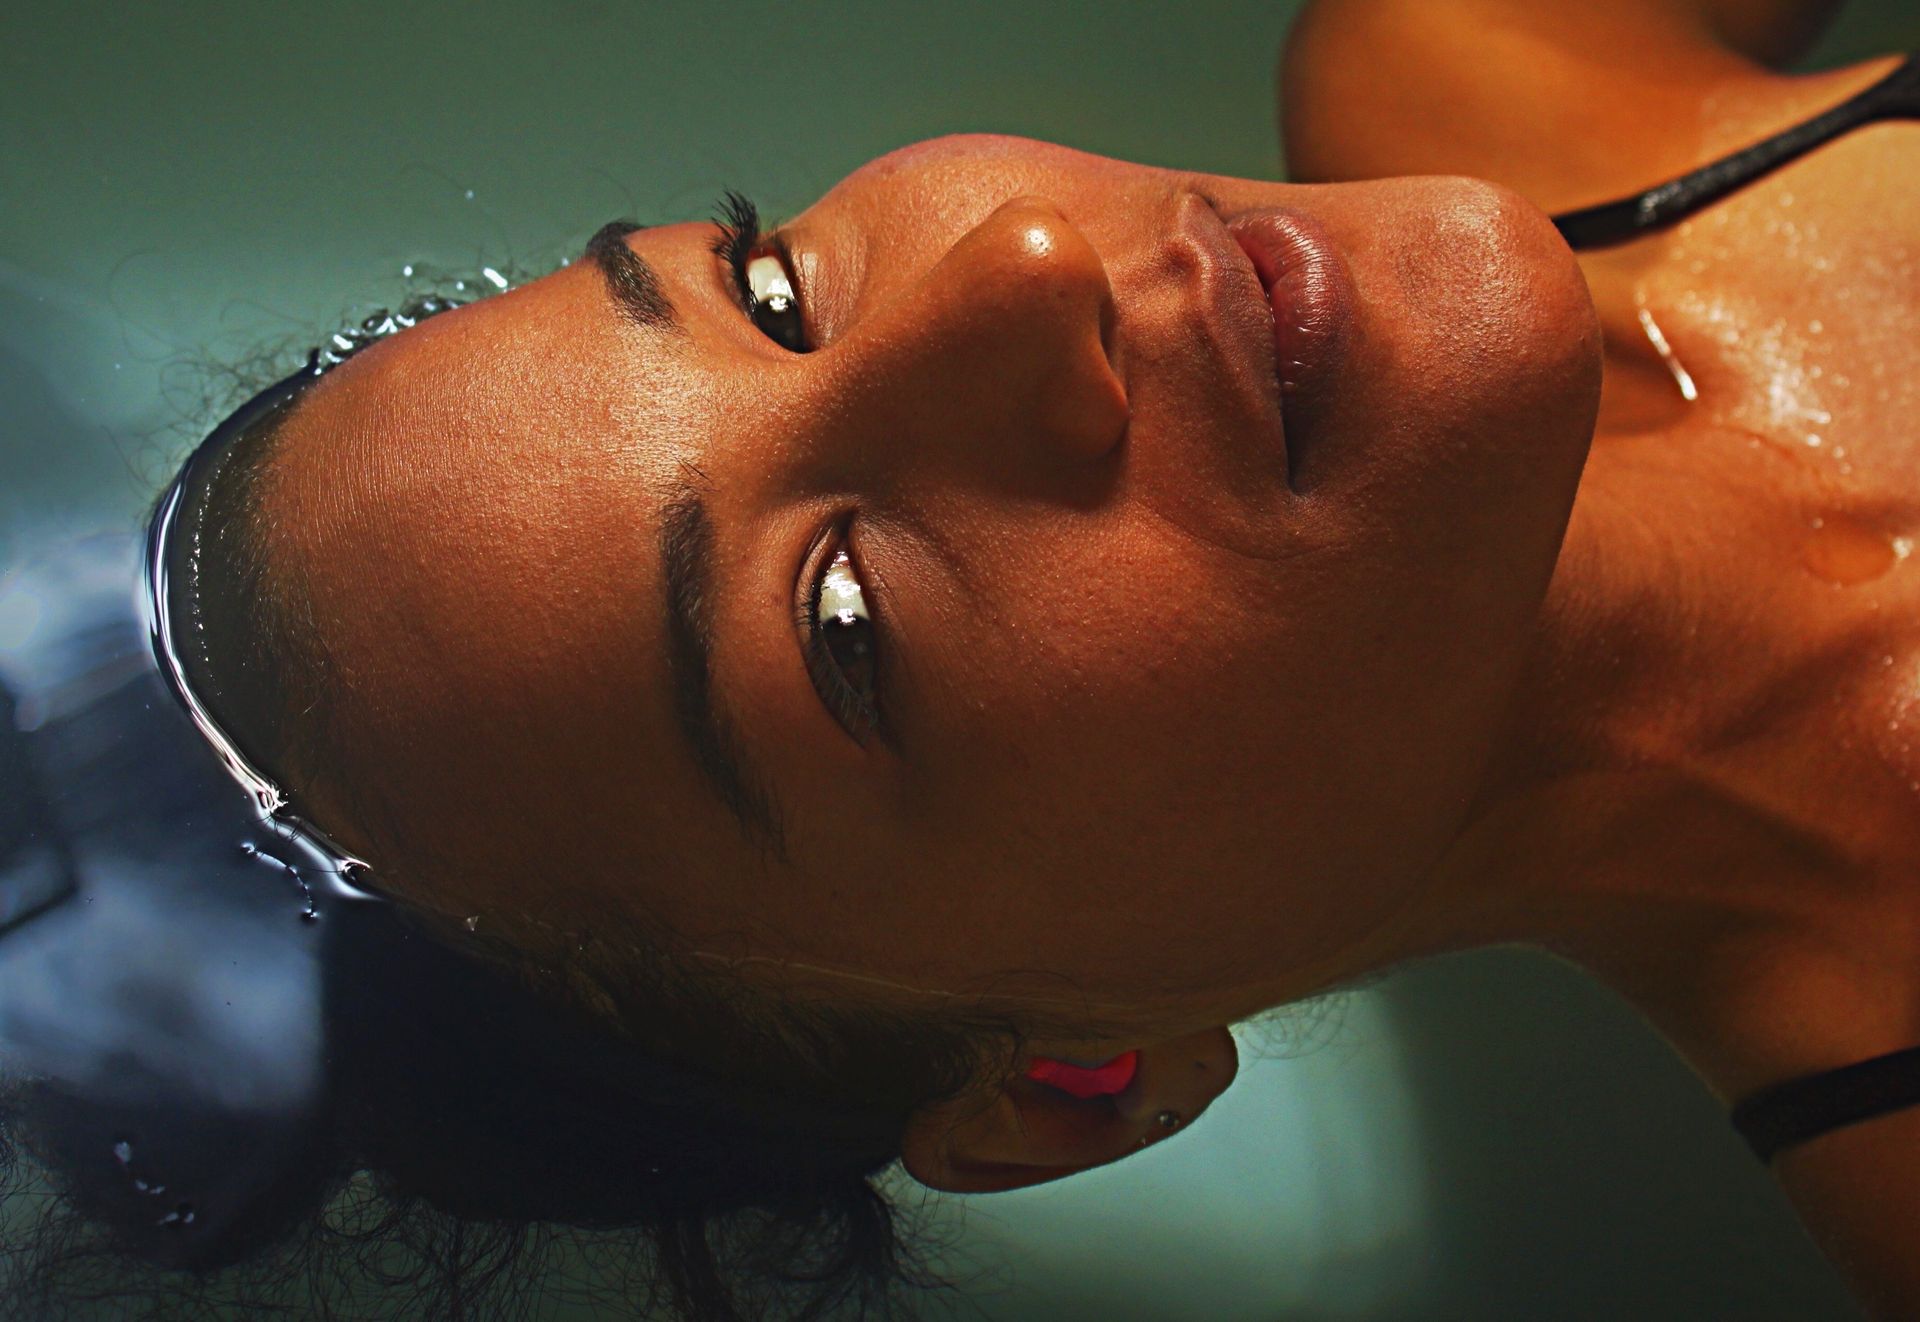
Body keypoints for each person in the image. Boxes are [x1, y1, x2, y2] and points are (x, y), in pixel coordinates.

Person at [123, 0, 1920, 1316]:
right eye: (844, 626)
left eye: (769, 294)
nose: (1024, 266)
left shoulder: (1482, 46)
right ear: (1073, 1090)